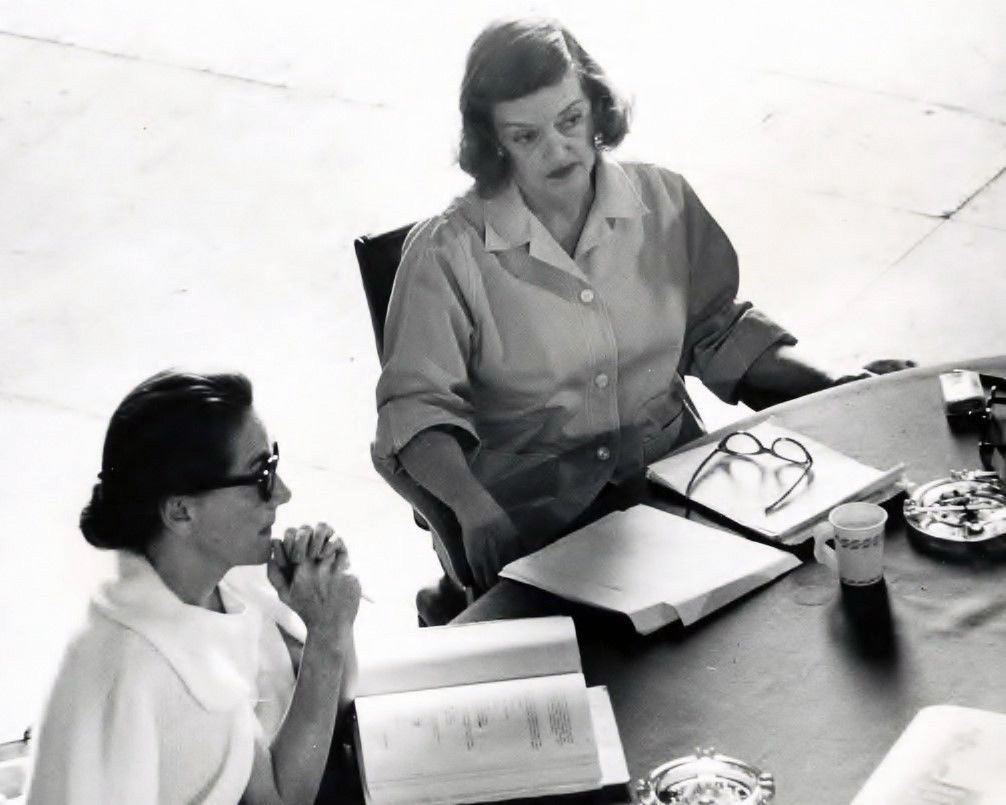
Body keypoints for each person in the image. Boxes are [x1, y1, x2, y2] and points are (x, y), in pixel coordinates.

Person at [373, 17, 913, 608]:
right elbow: (415, 411)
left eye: (570, 120)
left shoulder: (662, 200)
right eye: (525, 136)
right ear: (493, 139)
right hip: (533, 527)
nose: (557, 149)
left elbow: (718, 330)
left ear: (596, 106)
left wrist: (833, 386)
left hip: (676, 485)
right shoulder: (445, 254)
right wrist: (471, 509)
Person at [26, 370, 362, 804]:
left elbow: (296, 767)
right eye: (261, 475)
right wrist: (327, 637)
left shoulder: (219, 591)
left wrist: (324, 626)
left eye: (274, 465)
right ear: (181, 512)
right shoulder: (135, 669)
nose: (282, 493)